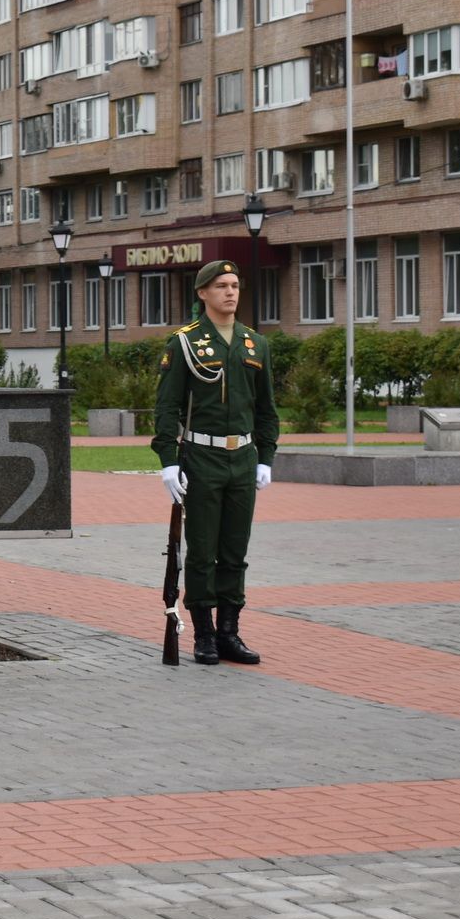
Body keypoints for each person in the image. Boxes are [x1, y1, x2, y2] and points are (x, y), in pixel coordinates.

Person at [152, 259, 280, 666]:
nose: (230, 292)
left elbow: (266, 409)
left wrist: (266, 457)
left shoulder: (254, 344)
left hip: (242, 457)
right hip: (202, 457)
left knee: (235, 550)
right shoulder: (185, 342)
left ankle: (229, 631)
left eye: (235, 285)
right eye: (222, 285)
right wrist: (168, 461)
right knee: (202, 550)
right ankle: (203, 634)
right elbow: (167, 406)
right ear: (203, 292)